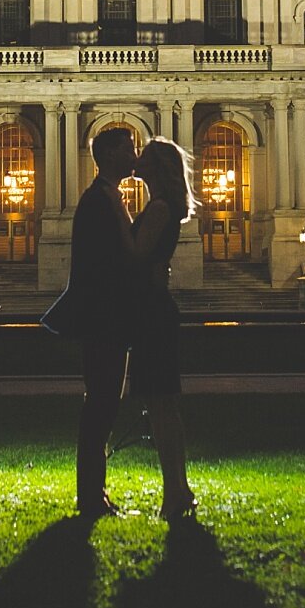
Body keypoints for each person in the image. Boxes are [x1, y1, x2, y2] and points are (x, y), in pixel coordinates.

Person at [41, 126, 142, 517]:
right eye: (129, 148)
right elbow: (108, 263)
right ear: (112, 155)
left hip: (107, 315)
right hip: (104, 318)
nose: (135, 154)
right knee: (101, 404)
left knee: (103, 404)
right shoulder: (100, 200)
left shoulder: (104, 197)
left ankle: (94, 494)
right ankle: (90, 496)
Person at [125, 136, 197, 521]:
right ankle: (179, 490)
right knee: (164, 404)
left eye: (144, 155)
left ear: (155, 168)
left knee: (160, 405)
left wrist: (117, 221)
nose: (136, 158)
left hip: (151, 312)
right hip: (157, 309)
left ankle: (176, 493)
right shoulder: (164, 206)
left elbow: (135, 253)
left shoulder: (157, 209)